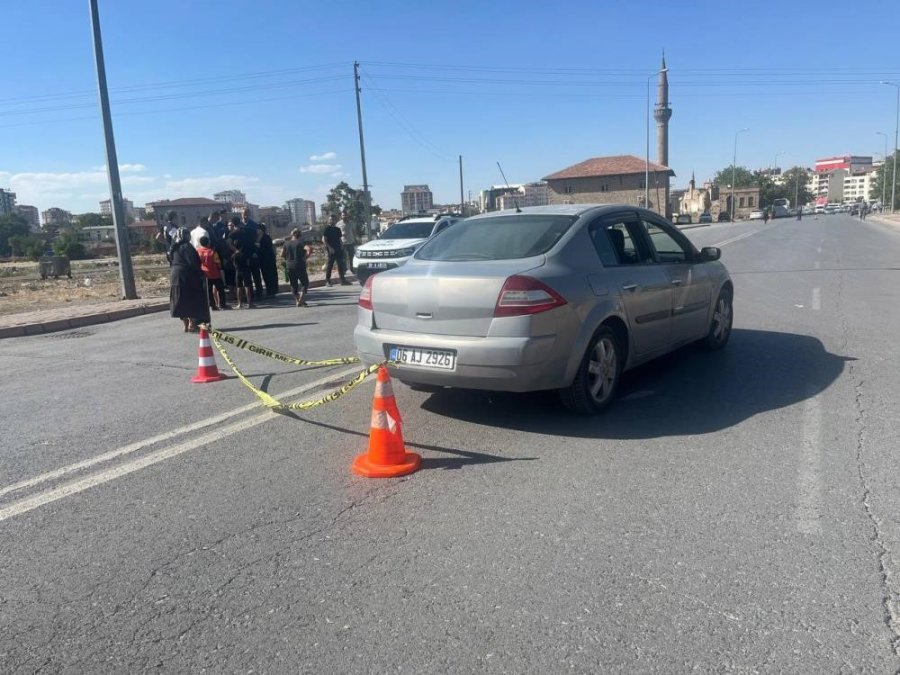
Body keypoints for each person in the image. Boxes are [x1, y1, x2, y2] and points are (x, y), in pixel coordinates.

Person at [169, 227, 211, 332]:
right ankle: (192, 324)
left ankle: (185, 325)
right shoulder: (186, 246)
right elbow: (193, 262)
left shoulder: (173, 248)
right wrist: (201, 273)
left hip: (175, 276)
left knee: (180, 300)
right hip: (187, 276)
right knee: (190, 299)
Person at [197, 235, 229, 310]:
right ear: (208, 242)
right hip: (214, 273)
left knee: (209, 291)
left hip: (205, 274)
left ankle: (212, 305)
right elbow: (218, 262)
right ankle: (222, 304)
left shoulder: (198, 251)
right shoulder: (212, 252)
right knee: (220, 289)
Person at [281, 227, 309, 307]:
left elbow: (281, 255)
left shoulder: (286, 243)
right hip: (299, 265)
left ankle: (297, 301)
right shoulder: (300, 242)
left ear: (291, 234)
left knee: (293, 284)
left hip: (289, 266)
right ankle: (301, 299)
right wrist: (305, 258)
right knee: (305, 283)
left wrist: (288, 259)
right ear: (299, 235)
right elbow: (309, 249)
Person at [241, 208, 264, 298]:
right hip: (243, 252)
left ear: (249, 214)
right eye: (243, 213)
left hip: (252, 251)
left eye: (247, 213)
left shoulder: (253, 224)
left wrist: (257, 242)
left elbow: (260, 233)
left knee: (256, 273)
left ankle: (259, 293)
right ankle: (250, 295)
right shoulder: (240, 224)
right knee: (247, 275)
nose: (245, 215)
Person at [322, 214, 351, 286]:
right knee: (330, 266)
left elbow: (340, 239)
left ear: (335, 220)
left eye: (334, 219)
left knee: (340, 265)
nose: (332, 220)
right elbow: (324, 240)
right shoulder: (327, 229)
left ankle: (343, 280)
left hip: (338, 249)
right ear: (329, 220)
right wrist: (330, 248)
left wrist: (342, 246)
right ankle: (328, 281)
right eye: (331, 219)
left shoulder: (337, 229)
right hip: (331, 250)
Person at [232, 239, 255, 308]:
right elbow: (248, 263)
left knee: (239, 287)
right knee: (247, 287)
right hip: (245, 271)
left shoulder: (233, 256)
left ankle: (239, 303)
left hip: (238, 271)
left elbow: (233, 264)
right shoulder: (245, 255)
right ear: (241, 246)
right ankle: (249, 303)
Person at [257, 223, 279, 297]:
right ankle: (272, 291)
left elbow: (261, 248)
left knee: (267, 276)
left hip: (265, 260)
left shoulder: (262, 238)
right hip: (270, 259)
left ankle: (270, 292)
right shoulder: (267, 236)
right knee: (271, 275)